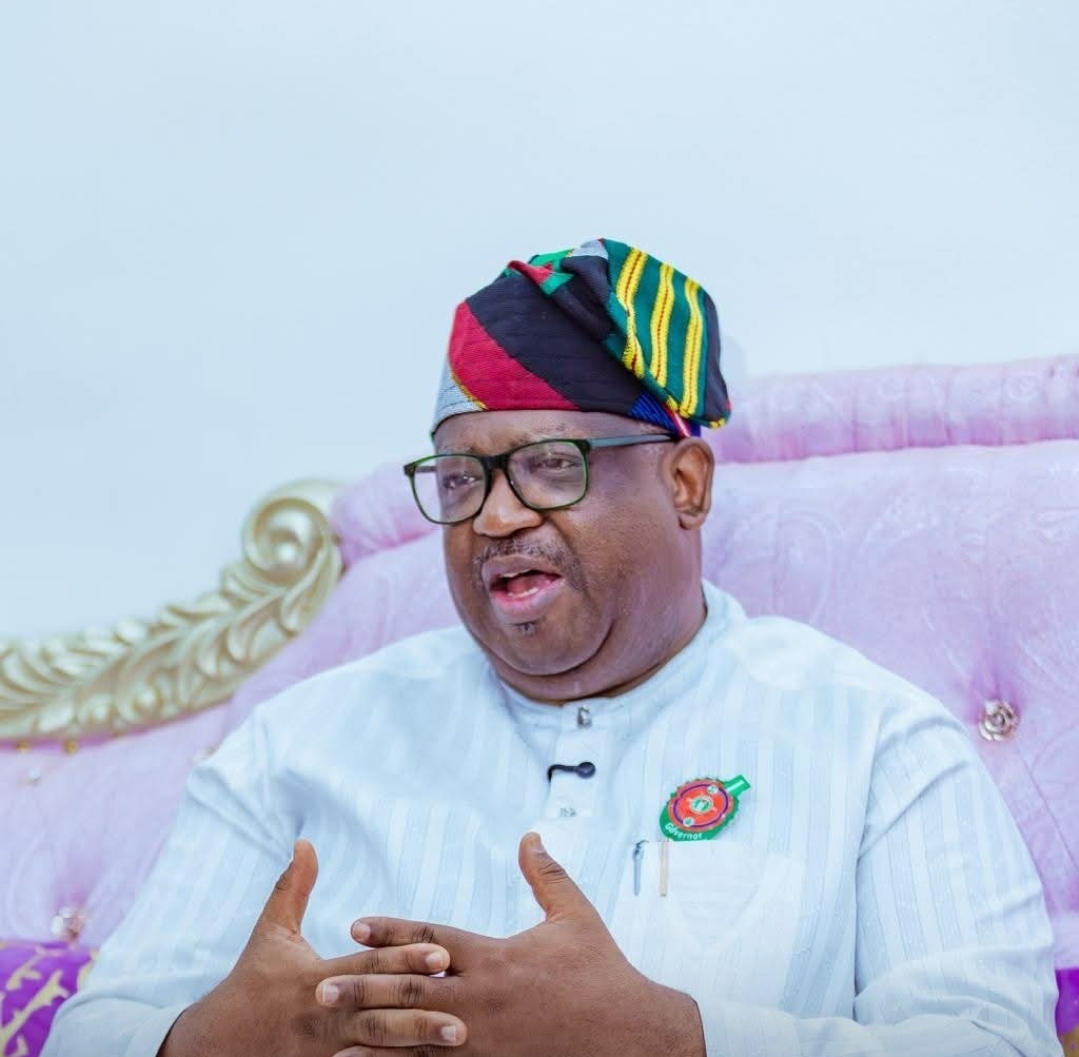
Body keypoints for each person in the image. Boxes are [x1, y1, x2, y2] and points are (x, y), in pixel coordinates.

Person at [45, 238, 1059, 1057]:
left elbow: (994, 1042)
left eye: (549, 465)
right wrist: (199, 1043)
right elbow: (91, 1033)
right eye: (459, 480)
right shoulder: (295, 744)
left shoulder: (874, 741)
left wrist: (677, 1040)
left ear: (684, 484)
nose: (494, 518)